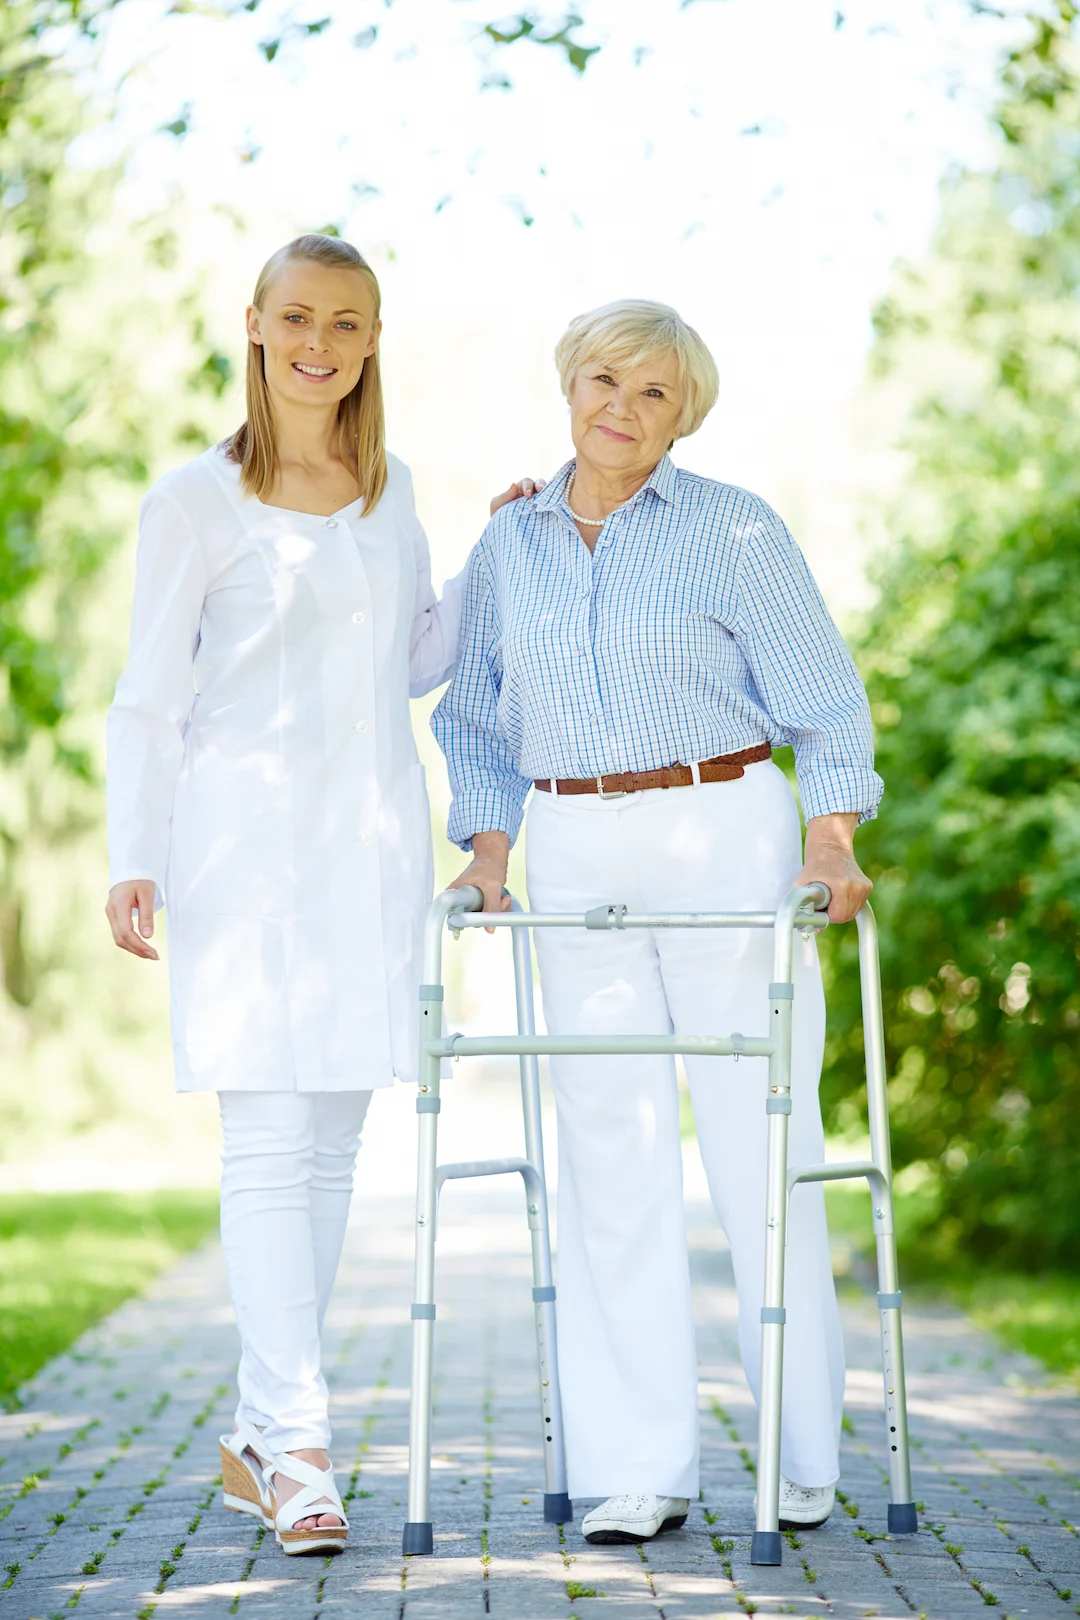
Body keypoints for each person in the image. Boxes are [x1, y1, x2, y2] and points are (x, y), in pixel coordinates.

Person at [105, 234, 536, 1555]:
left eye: (347, 323)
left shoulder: (386, 485)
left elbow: (411, 656)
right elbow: (150, 691)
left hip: (369, 849)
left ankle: (262, 1431)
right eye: (298, 316)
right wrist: (137, 849)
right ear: (254, 325)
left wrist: (495, 553)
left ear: (370, 341)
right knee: (267, 1137)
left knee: (337, 1142)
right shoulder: (195, 501)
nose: (320, 342)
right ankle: (297, 1444)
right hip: (239, 857)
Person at [432, 299, 882, 1545]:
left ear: (686, 418)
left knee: (762, 1142)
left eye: (654, 397)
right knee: (610, 1161)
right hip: (573, 846)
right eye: (604, 382)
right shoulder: (511, 543)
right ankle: (640, 1469)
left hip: (724, 828)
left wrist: (829, 836)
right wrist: (488, 855)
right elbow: (473, 720)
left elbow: (828, 707)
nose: (620, 412)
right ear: (567, 382)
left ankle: (799, 1458)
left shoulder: (735, 529)